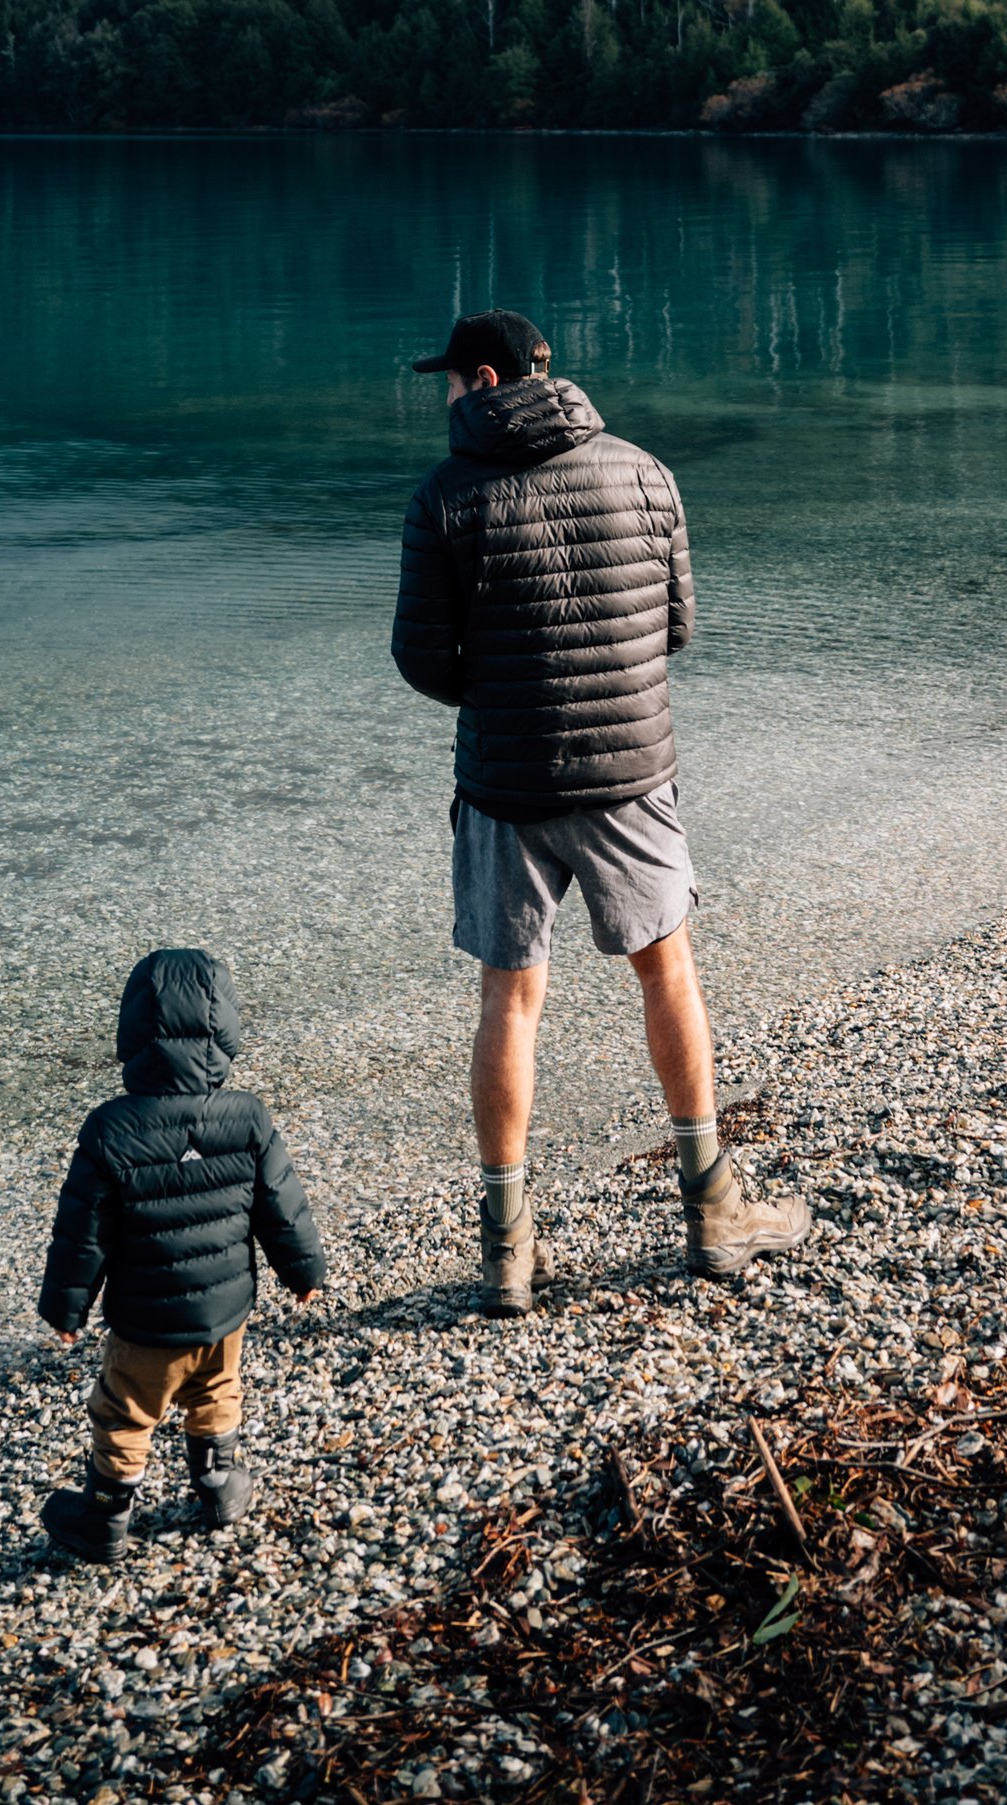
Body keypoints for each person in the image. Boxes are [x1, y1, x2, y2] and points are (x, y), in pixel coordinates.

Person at [393, 307, 810, 1315]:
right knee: (665, 970)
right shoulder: (642, 470)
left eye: (449, 380)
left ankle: (507, 1253)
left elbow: (419, 658)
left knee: (510, 998)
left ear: (483, 377)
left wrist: (500, 696)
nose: (445, 397)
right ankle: (712, 1213)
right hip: (630, 772)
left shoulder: (448, 494)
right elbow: (673, 624)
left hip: (505, 782)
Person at [36, 944, 328, 1562]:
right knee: (217, 1388)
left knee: (125, 1412)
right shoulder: (247, 1118)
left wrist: (67, 1310)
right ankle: (219, 1488)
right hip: (226, 1309)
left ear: (132, 1034)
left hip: (147, 1321)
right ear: (225, 1029)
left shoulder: (111, 1129)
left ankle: (105, 1519)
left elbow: (83, 1234)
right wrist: (304, 1272)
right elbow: (282, 1204)